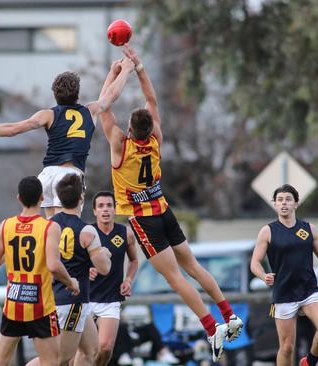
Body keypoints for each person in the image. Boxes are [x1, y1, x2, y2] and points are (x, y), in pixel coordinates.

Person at [99, 44, 242, 362]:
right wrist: (139, 69)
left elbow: (104, 108)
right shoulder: (155, 140)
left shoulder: (120, 145)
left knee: (175, 277)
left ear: (130, 130)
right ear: (148, 128)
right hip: (164, 208)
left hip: (143, 219)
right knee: (193, 266)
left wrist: (112, 73)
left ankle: (211, 327)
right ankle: (229, 315)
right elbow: (152, 100)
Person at [0, 58, 136, 218]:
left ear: (54, 94)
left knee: (53, 232)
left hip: (47, 177)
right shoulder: (90, 110)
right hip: (70, 177)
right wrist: (125, 70)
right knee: (68, 232)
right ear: (78, 94)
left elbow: (12, 129)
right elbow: (110, 95)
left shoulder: (47, 115)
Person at [0, 176, 80, 366]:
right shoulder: (49, 227)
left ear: (19, 198)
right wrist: (71, 282)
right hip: (40, 306)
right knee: (50, 361)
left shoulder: (6, 225)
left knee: (1, 360)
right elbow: (53, 266)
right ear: (42, 198)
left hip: (13, 302)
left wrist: (9, 253)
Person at [28, 174, 112, 366]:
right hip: (71, 301)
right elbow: (104, 268)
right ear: (81, 198)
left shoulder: (48, 224)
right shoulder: (87, 231)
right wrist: (105, 252)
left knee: (91, 350)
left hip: (55, 297)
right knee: (57, 359)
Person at [250, 184, 318, 366]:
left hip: (308, 290)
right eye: (280, 200)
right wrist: (263, 275)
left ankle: (309, 362)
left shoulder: (308, 229)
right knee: (287, 347)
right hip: (284, 294)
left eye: (288, 199)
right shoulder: (268, 231)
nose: (284, 203)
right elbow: (254, 263)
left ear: (296, 203)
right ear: (275, 204)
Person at [73, 191, 139, 366]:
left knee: (105, 347)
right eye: (101, 206)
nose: (105, 210)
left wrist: (128, 280)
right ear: (94, 211)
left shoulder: (126, 233)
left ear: (115, 209)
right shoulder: (86, 233)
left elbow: (134, 260)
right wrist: (87, 270)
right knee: (81, 352)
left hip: (111, 299)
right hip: (86, 298)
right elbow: (73, 263)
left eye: (109, 205)